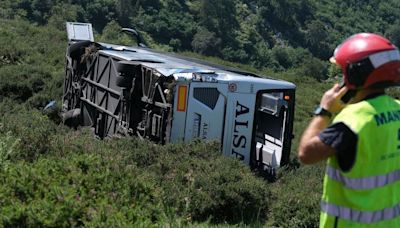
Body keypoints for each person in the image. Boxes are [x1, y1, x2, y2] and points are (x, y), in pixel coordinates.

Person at [298, 33, 400, 227]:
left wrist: (324, 111)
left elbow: (306, 154)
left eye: (344, 72)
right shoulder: (397, 110)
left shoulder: (353, 121)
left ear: (356, 74)